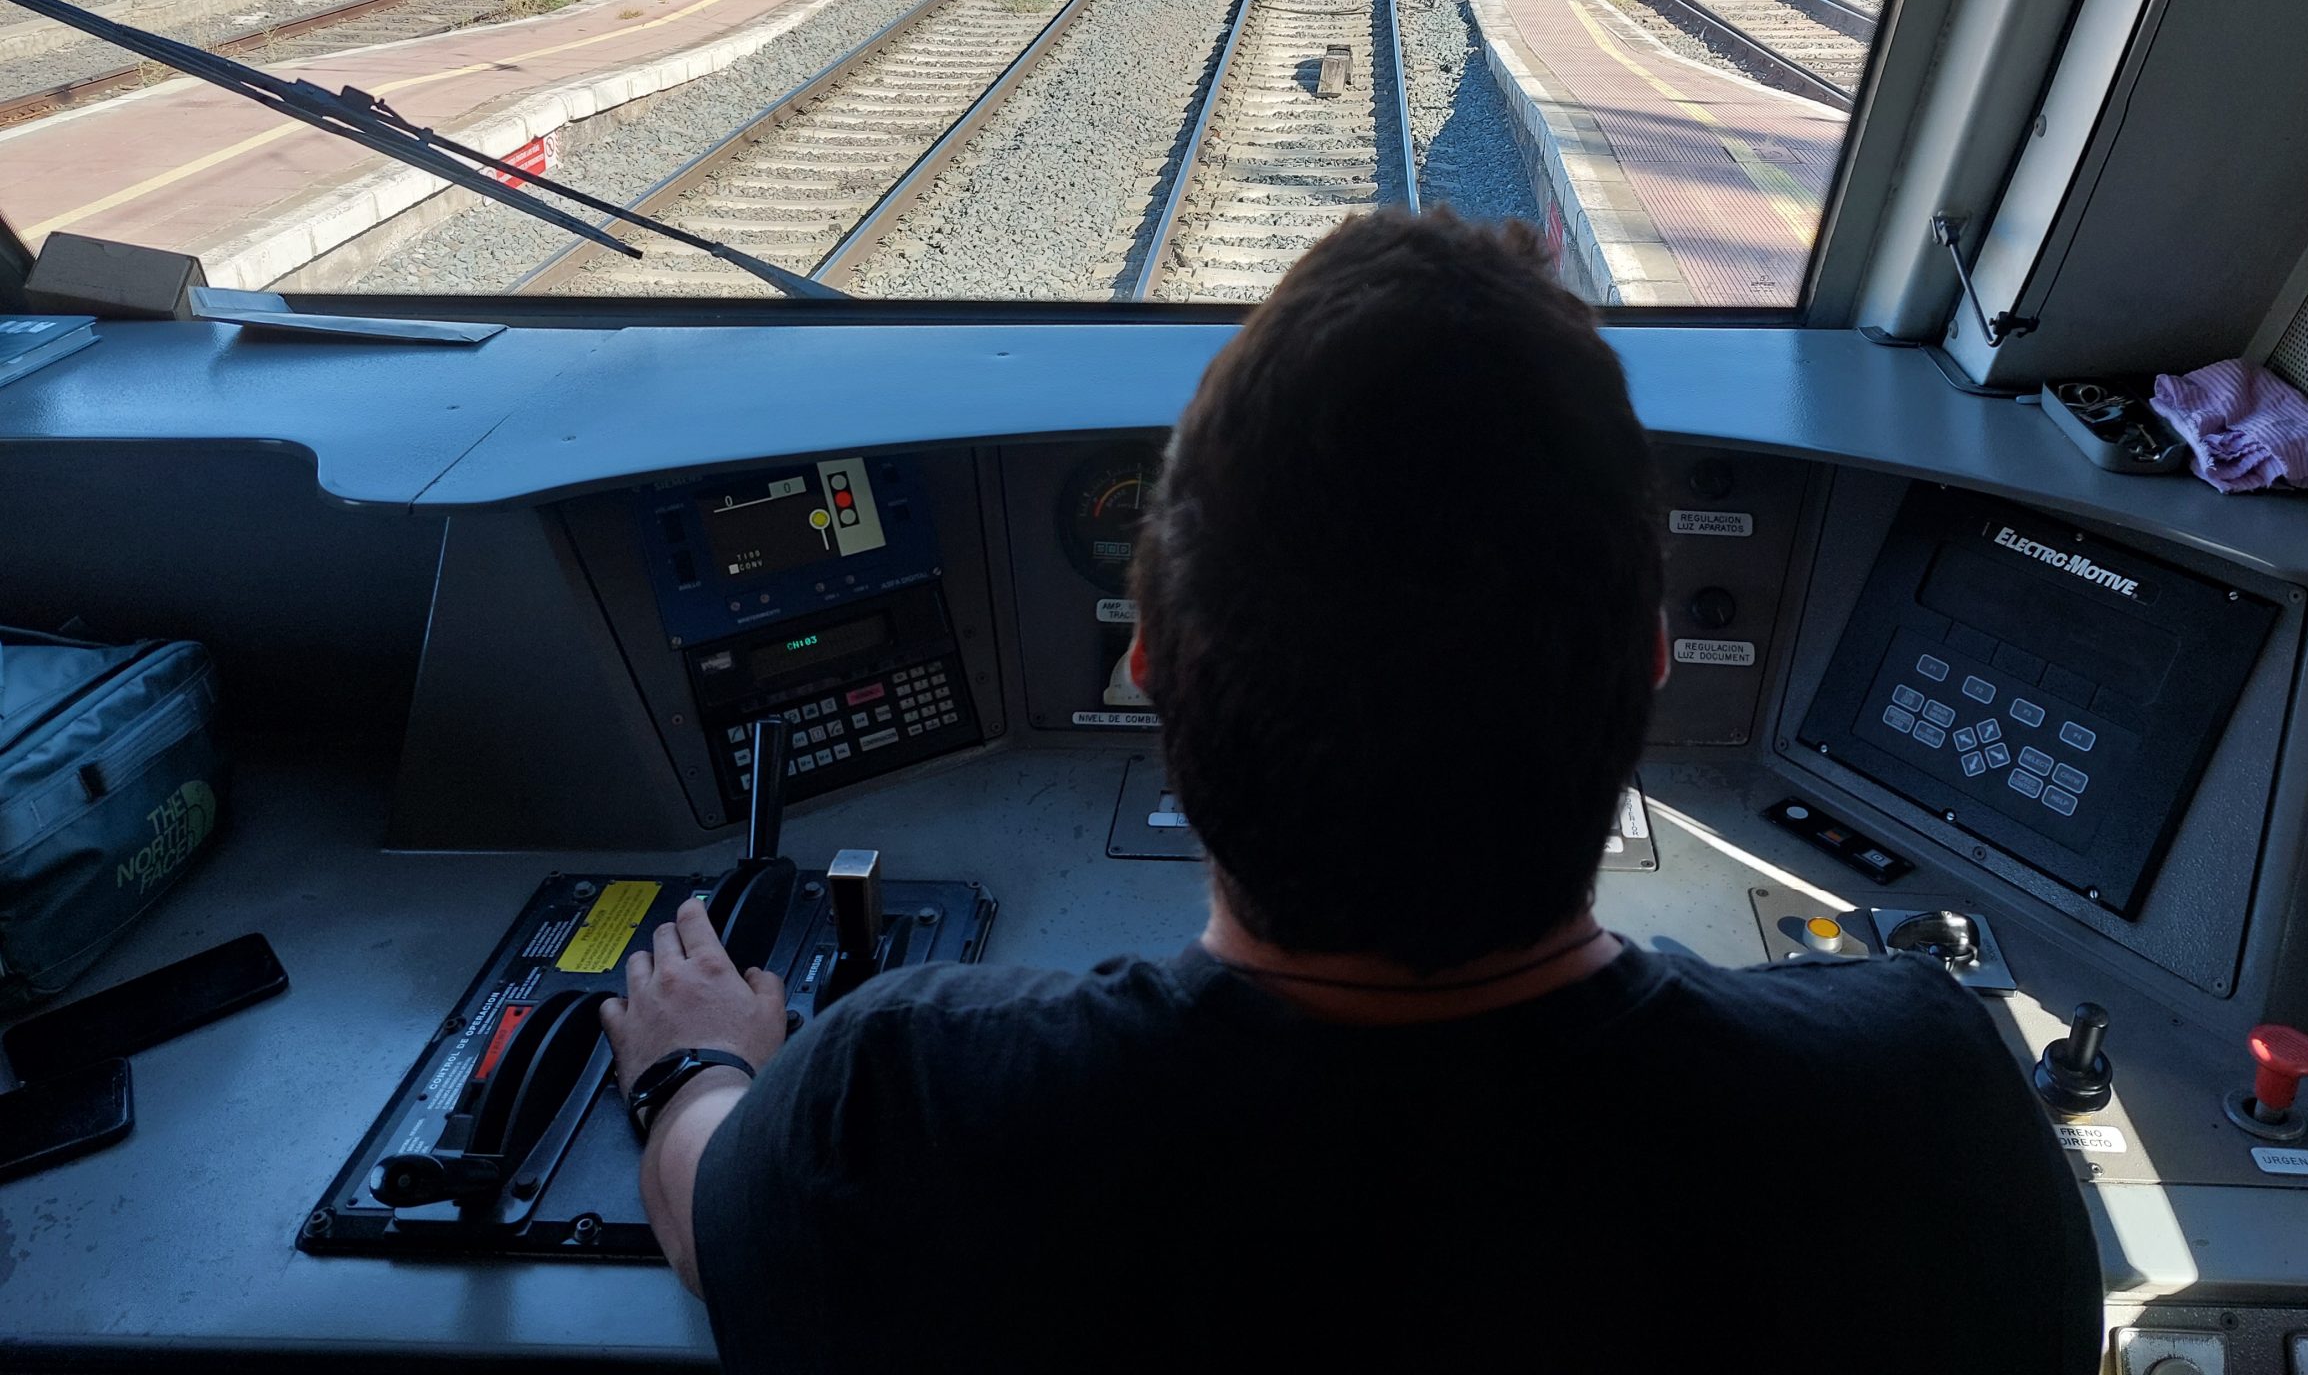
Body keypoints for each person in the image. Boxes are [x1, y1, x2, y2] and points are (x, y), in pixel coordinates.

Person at [602, 210, 2101, 1371]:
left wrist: (699, 1065)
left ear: (1154, 671)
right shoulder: (1929, 1115)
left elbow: (706, 1207)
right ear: (1649, 661)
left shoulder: (896, 1116)